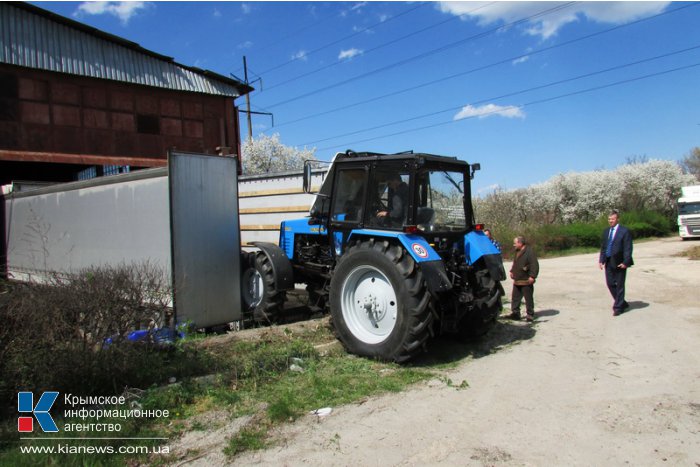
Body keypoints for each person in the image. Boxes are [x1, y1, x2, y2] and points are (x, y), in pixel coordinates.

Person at [598, 209, 634, 316]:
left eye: (613, 219)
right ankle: (622, 302)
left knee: (620, 285)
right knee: (610, 284)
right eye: (609, 219)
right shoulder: (606, 231)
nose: (610, 221)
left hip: (620, 262)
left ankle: (618, 307)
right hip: (609, 261)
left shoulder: (624, 231)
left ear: (617, 219)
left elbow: (628, 248)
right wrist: (601, 260)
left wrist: (626, 262)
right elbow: (604, 247)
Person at [506, 236, 539, 322]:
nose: (514, 245)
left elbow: (534, 264)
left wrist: (532, 276)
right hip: (517, 279)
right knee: (515, 298)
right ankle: (515, 313)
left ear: (520, 243)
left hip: (526, 279)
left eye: (515, 243)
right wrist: (512, 271)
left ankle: (530, 315)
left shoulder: (529, 251)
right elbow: (515, 262)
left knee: (528, 298)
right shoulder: (517, 251)